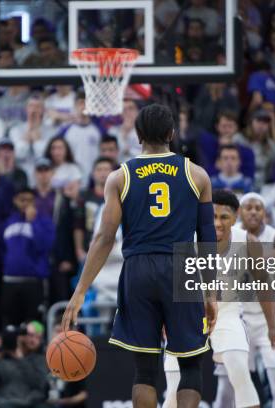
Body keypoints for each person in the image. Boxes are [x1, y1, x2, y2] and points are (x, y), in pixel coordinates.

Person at [62, 104, 218, 408]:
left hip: (138, 269)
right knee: (190, 366)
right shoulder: (197, 175)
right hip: (182, 267)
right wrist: (211, 292)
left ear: (137, 135)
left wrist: (80, 291)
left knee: (144, 371)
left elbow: (104, 238)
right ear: (172, 134)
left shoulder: (119, 177)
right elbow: (207, 240)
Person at [163, 190, 275, 408]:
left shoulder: (248, 242)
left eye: (224, 217)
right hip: (187, 315)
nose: (217, 223)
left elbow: (264, 286)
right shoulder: (185, 239)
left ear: (236, 217)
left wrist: (273, 327)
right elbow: (168, 286)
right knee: (174, 390)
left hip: (227, 313)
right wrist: (165, 319)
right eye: (211, 217)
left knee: (240, 373)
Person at [238, 193, 275, 408]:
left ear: (265, 214)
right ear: (239, 212)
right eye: (248, 207)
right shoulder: (230, 236)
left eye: (258, 208)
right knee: (237, 385)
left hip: (271, 318)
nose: (253, 211)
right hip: (240, 317)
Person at [0, 187, 55, 326]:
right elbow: (1, 249)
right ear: (15, 201)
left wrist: (33, 221)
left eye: (30, 200)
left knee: (34, 324)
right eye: (22, 200)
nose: (26, 203)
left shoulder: (44, 221)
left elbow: (45, 245)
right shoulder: (8, 222)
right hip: (9, 280)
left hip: (34, 281)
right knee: (10, 324)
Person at [0, 324, 49, 408]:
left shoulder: (38, 359)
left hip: (32, 403)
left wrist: (20, 358)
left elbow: (39, 384)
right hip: (5, 403)